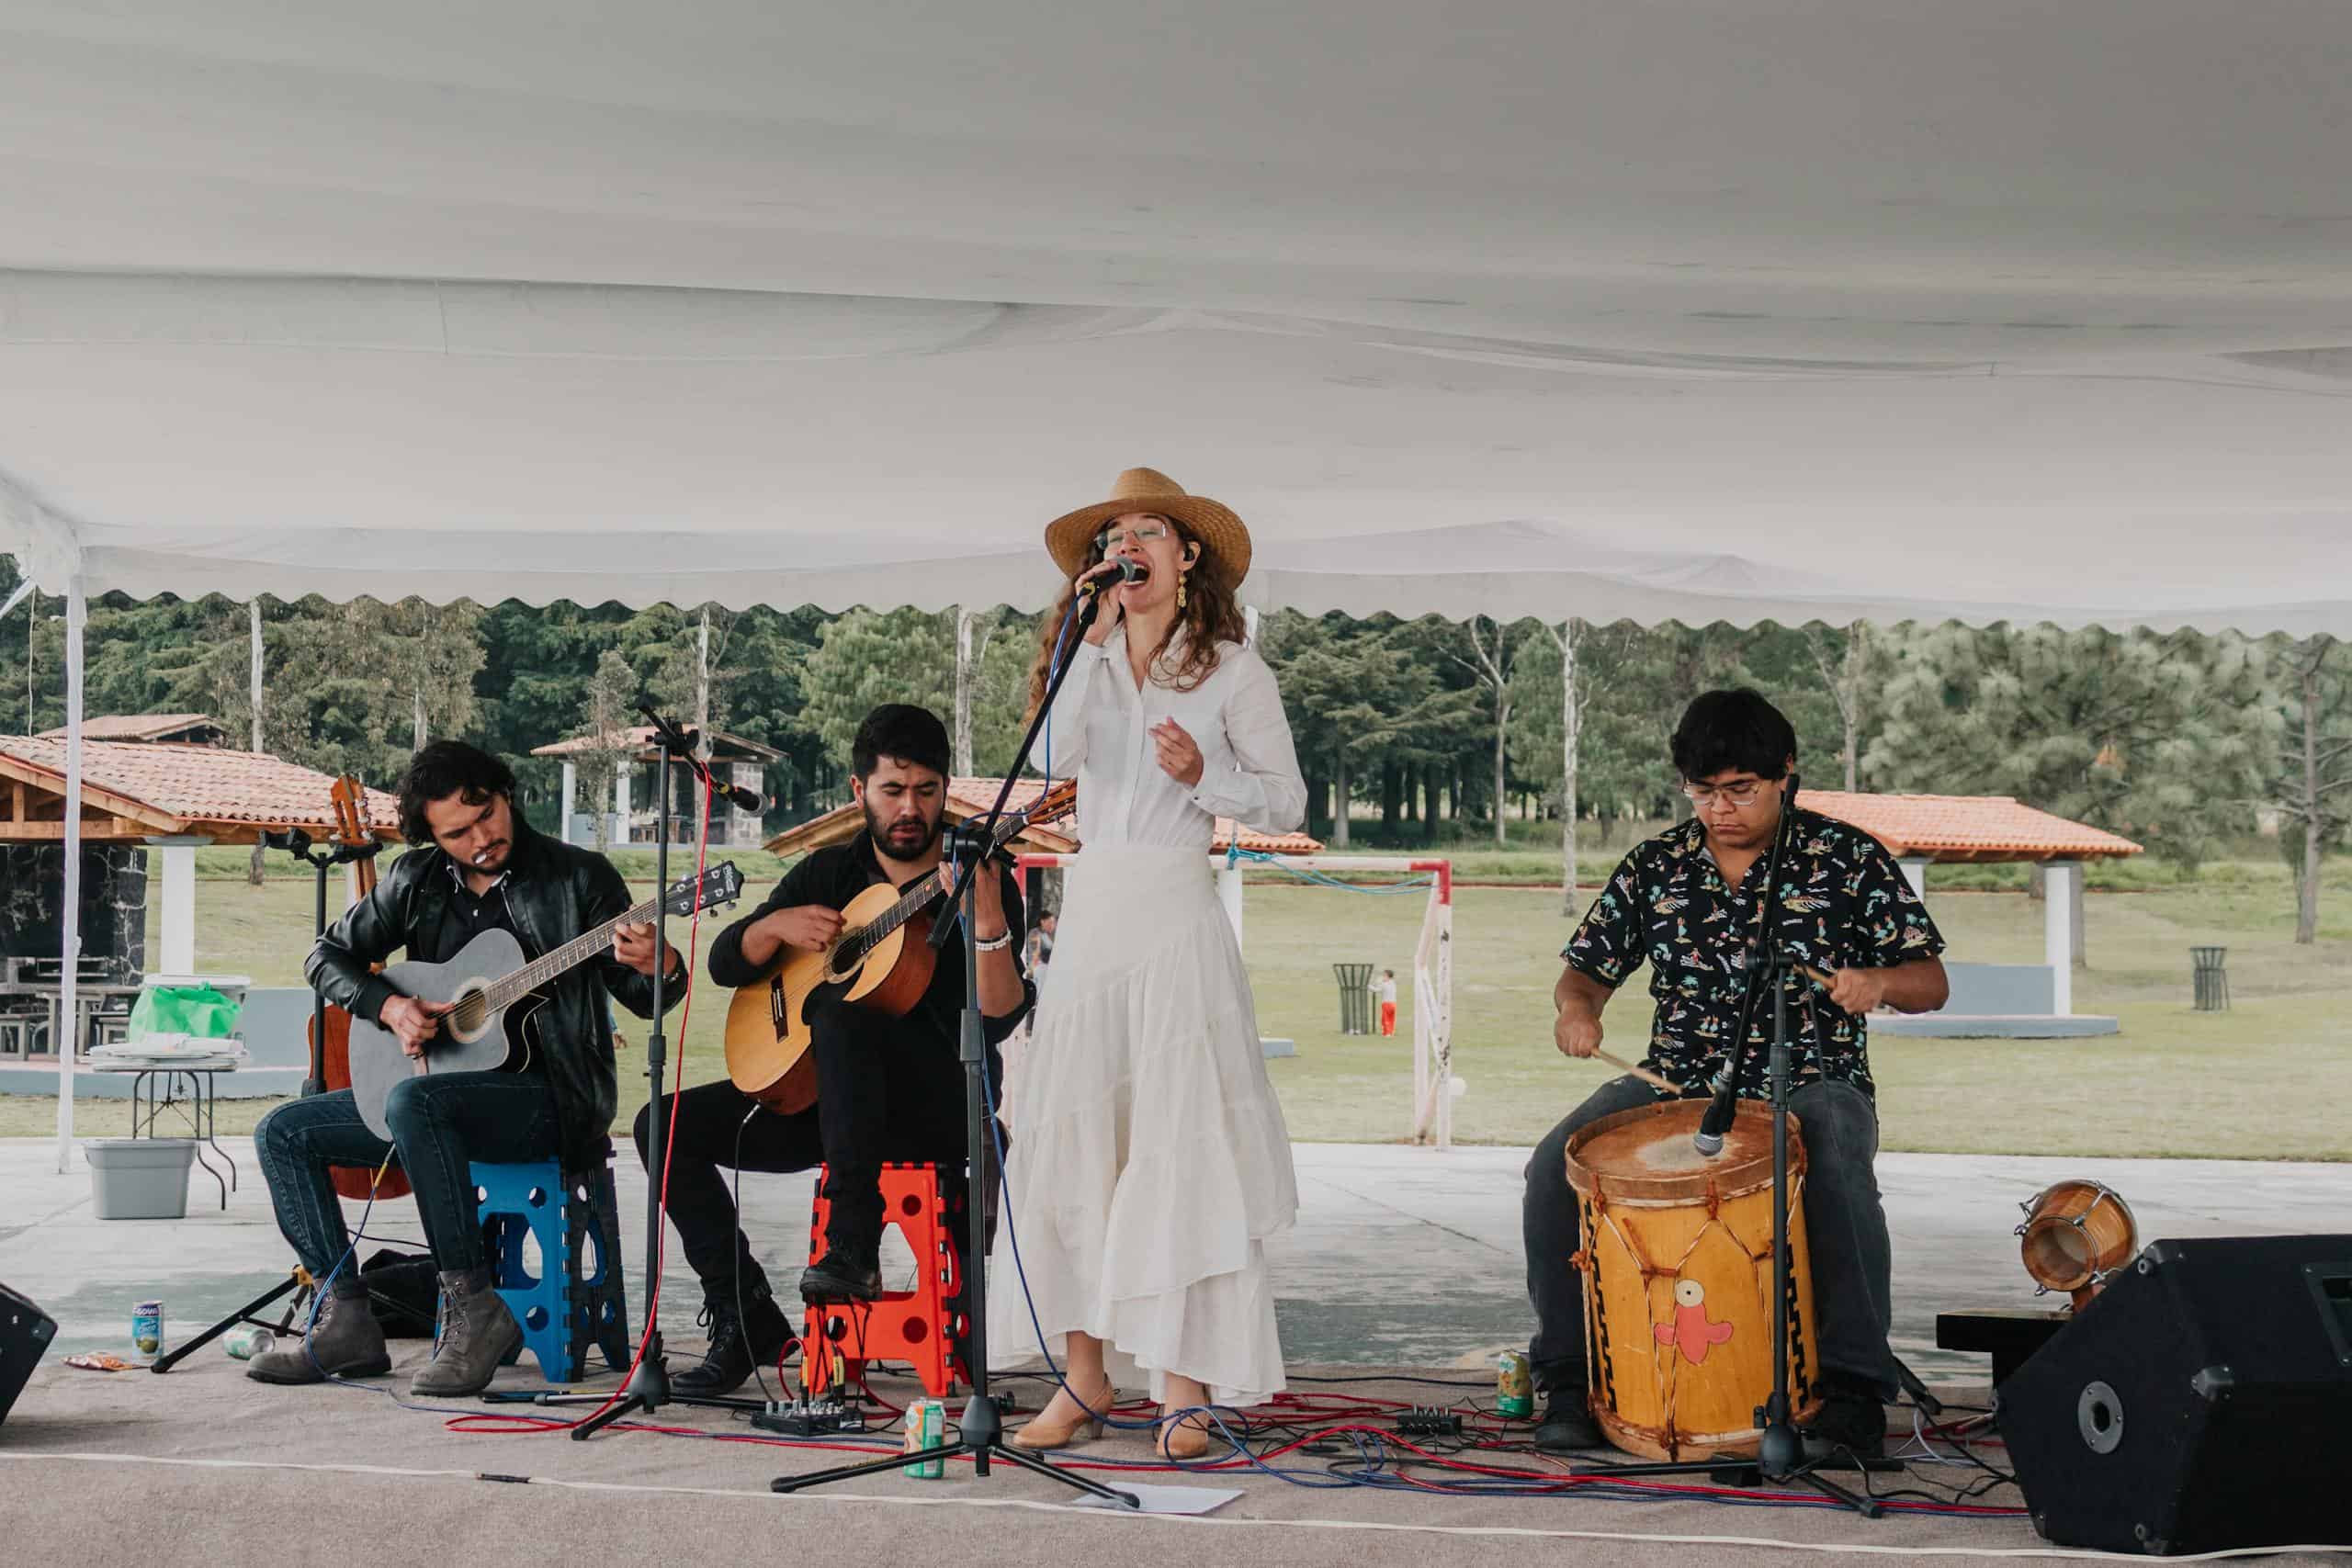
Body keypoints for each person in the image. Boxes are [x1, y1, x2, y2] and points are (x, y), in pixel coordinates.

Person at [1522, 690, 1949, 1459]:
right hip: (1673, 1082)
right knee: (1555, 1167)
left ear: (1786, 773)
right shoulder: (1657, 864)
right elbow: (1582, 973)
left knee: (1837, 1159)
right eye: (1703, 791)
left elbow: (1931, 980)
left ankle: (1853, 1392)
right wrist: (1576, 1013)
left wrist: (1878, 984)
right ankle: (1568, 1381)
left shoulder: (1846, 857)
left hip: (1813, 1076)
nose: (1719, 809)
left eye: (1739, 790)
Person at [992, 467, 1306, 1460]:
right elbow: (1050, 770)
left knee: (1176, 1150)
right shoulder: (1083, 651)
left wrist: (1201, 775)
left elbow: (1286, 803)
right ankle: (1082, 1383)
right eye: (1113, 538)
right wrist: (1084, 649)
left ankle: (1182, 1390)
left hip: (1174, 912)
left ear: (1186, 556)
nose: (1126, 551)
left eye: (1145, 535)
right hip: (1093, 919)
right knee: (1077, 1146)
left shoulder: (1231, 667)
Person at [249, 741, 682, 1394]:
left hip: (551, 1097)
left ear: (506, 794)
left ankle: (475, 1307)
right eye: (458, 832)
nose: (481, 838)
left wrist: (661, 963)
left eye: (488, 815)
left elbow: (645, 995)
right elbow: (326, 957)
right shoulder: (414, 880)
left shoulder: (579, 877)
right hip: (431, 1101)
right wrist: (388, 1005)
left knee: (417, 1107)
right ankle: (346, 1317)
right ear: (433, 836)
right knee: (284, 1131)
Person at [637, 704, 1034, 1396]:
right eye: (892, 790)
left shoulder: (977, 874)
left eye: (927, 791)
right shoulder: (829, 871)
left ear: (947, 790)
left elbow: (999, 1018)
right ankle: (746, 1313)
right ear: (859, 791)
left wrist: (991, 918)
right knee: (660, 1126)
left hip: (932, 1104)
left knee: (841, 1013)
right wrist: (774, 927)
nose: (911, 808)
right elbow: (728, 963)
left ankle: (852, 1240)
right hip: (821, 1105)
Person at [1376, 968, 1398, 1036]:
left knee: (1385, 1019)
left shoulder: (1384, 984)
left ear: (1387, 976)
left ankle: (1387, 1033)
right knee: (1391, 1019)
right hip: (1393, 1004)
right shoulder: (1393, 983)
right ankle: (1390, 1032)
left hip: (1386, 1004)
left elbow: (1378, 989)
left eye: (1384, 975)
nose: (1383, 977)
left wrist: (1369, 987)